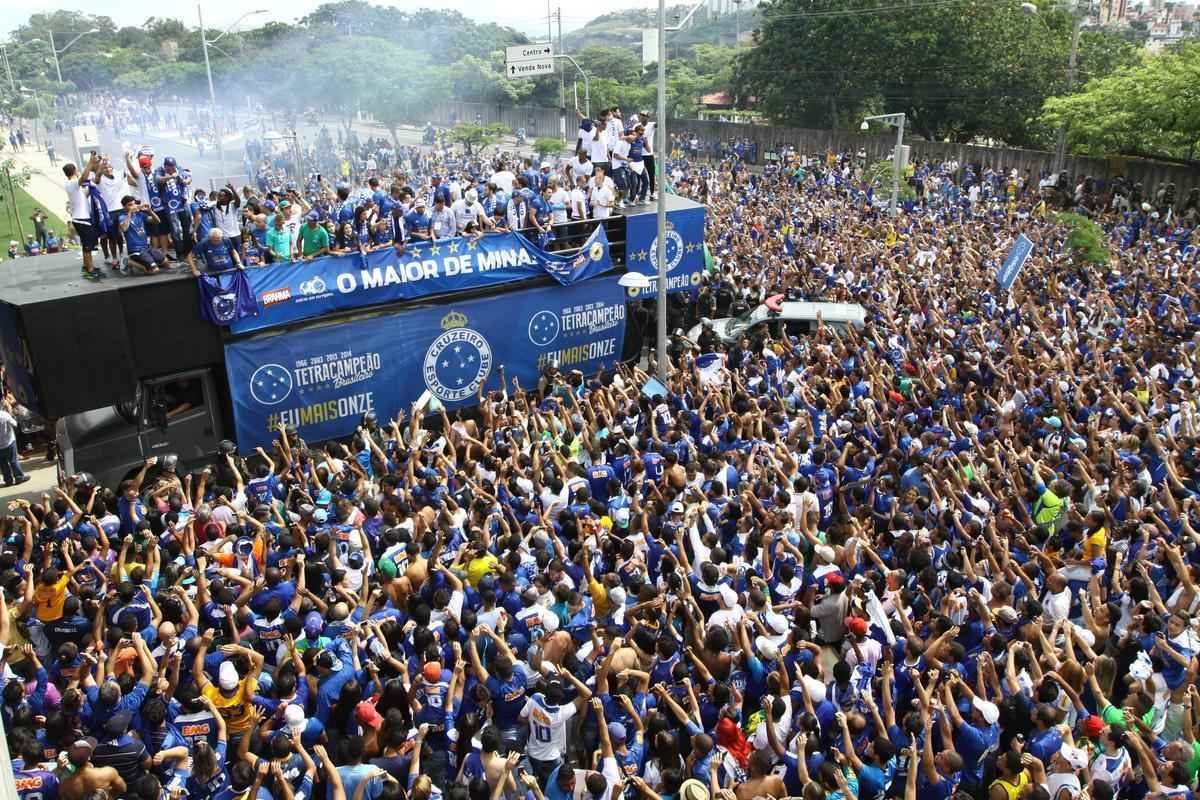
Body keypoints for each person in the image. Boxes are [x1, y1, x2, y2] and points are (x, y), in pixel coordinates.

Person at [62, 153, 103, 281]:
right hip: (81, 219)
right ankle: (90, 270)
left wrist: (99, 167)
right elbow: (83, 177)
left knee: (87, 244)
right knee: (87, 246)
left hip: (81, 218)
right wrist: (90, 162)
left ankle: (87, 267)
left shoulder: (74, 187)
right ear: (74, 171)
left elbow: (84, 194)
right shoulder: (72, 183)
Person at [118, 195, 168, 274]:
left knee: (166, 262)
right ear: (124, 207)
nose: (133, 206)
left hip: (146, 248)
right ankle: (129, 262)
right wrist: (130, 213)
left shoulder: (140, 215)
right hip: (135, 250)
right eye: (130, 205)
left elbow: (157, 221)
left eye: (134, 204)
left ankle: (149, 262)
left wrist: (150, 211)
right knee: (155, 270)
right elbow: (124, 228)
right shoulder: (122, 217)